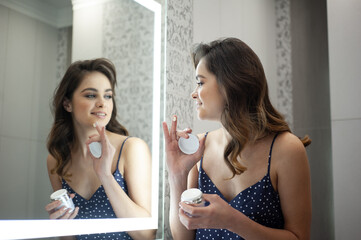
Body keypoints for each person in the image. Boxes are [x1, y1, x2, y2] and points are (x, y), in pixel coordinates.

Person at [163, 38, 312, 240]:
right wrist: (177, 175)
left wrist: (232, 221)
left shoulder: (286, 149)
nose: (193, 94)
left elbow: (299, 237)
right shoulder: (199, 148)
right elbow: (184, 237)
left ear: (230, 83)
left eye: (200, 82)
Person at [45, 58, 154, 240]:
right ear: (67, 104)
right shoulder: (56, 159)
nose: (103, 103)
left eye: (108, 96)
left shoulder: (131, 149)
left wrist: (105, 175)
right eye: (91, 95)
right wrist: (61, 226)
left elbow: (146, 234)